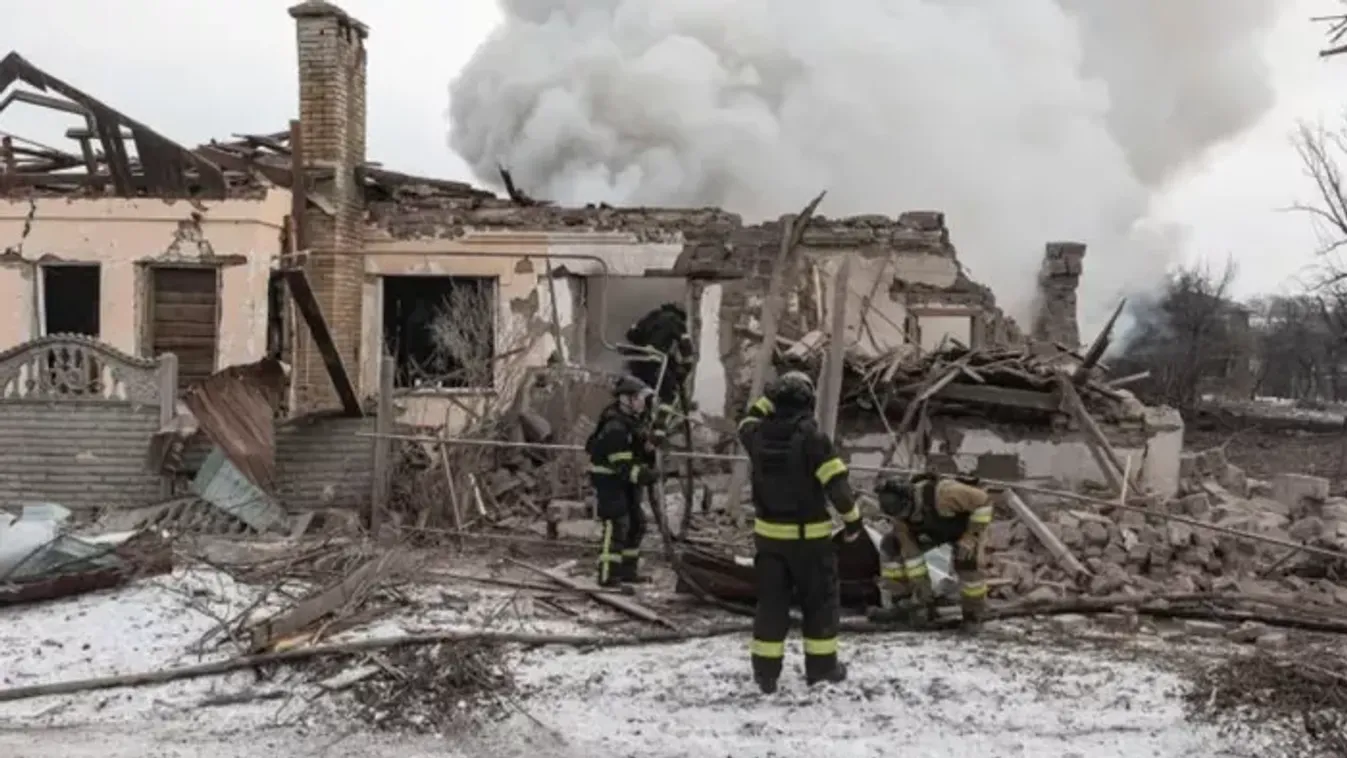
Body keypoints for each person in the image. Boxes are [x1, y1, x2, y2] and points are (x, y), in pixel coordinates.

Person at [739, 370, 863, 694]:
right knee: (819, 604)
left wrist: (769, 395)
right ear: (808, 402)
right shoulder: (813, 440)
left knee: (771, 605)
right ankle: (822, 669)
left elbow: (747, 419)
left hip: (769, 541)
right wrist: (853, 523)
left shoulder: (755, 435)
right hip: (810, 542)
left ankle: (765, 674)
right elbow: (838, 490)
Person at [871, 473, 996, 630]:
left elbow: (984, 501)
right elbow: (913, 560)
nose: (904, 518)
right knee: (891, 545)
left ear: (910, 500)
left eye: (905, 513)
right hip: (933, 533)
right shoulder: (900, 521)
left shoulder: (945, 494)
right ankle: (902, 603)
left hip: (966, 528)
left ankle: (974, 613)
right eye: (898, 516)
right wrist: (923, 594)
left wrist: (971, 537)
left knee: (966, 561)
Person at [586, 375, 658, 587]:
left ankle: (627, 572)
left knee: (637, 524)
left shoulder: (634, 422)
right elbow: (623, 466)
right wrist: (645, 475)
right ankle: (608, 575)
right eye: (639, 398)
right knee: (617, 524)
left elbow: (638, 452)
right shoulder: (615, 427)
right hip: (609, 481)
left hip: (625, 481)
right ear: (626, 399)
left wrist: (650, 452)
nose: (643, 403)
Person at [624, 303, 695, 421]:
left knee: (642, 390)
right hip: (654, 363)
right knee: (669, 393)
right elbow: (685, 345)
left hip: (635, 362)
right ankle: (659, 425)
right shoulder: (676, 320)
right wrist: (686, 366)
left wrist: (645, 343)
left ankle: (640, 416)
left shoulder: (652, 315)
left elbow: (631, 334)